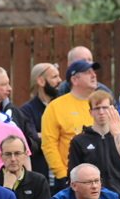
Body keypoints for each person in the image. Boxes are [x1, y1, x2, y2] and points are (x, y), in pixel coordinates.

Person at [41, 60, 99, 191]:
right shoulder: (55, 107)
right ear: (74, 79)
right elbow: (49, 144)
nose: (94, 75)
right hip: (71, 179)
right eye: (87, 72)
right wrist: (62, 175)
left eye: (93, 72)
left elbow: (117, 135)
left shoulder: (102, 105)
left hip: (102, 178)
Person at [69, 90, 120, 197]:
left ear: (112, 109)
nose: (101, 112)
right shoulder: (78, 141)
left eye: (105, 108)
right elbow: (72, 176)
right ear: (90, 112)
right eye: (97, 108)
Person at [20, 62, 62, 181]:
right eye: (54, 77)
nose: (60, 80)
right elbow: (33, 142)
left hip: (64, 176)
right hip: (42, 177)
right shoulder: (26, 110)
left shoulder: (63, 107)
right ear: (41, 81)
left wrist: (42, 134)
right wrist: (58, 135)